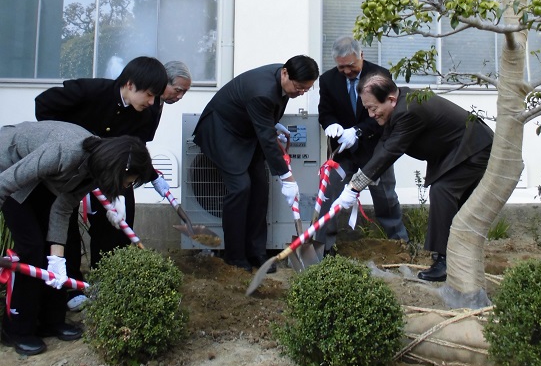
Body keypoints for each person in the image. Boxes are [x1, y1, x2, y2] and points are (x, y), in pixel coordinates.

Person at [0, 121, 154, 356]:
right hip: (9, 169)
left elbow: (62, 209)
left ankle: (51, 320)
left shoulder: (93, 169)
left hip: (41, 179)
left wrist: (57, 261)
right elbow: (6, 183)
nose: (128, 186)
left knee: (61, 249)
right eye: (130, 181)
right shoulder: (64, 151)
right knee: (31, 248)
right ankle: (16, 330)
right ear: (117, 170)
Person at [340, 73, 494, 282]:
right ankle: (458, 257)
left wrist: (354, 187)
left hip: (473, 147)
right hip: (458, 150)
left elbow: (391, 150)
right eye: (367, 108)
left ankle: (445, 262)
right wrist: (362, 179)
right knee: (452, 202)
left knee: (443, 191)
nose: (371, 114)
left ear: (391, 100)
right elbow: (384, 145)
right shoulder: (400, 105)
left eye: (373, 108)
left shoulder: (408, 111)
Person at [34, 56, 169, 278]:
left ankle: (106, 280)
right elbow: (43, 105)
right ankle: (70, 283)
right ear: (130, 84)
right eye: (149, 94)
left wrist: (124, 191)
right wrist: (60, 141)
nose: (152, 102)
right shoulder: (89, 91)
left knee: (117, 223)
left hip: (111, 173)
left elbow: (134, 151)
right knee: (65, 220)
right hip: (70, 167)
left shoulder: (146, 113)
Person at [192, 55, 320, 272]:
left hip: (247, 132)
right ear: (285, 73)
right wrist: (286, 177)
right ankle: (235, 256)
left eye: (306, 90)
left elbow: (266, 125)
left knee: (260, 188)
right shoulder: (262, 91)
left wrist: (272, 124)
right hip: (222, 131)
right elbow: (267, 139)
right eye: (299, 87)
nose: (301, 93)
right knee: (240, 188)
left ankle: (256, 252)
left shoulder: (282, 81)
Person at [316, 37, 408, 252]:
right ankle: (322, 247)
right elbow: (325, 112)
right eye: (342, 67)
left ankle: (399, 243)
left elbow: (385, 114)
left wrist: (357, 131)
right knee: (329, 195)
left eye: (351, 65)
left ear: (361, 56)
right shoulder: (328, 80)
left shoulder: (380, 76)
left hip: (375, 148)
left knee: (385, 197)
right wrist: (331, 125)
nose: (347, 71)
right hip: (342, 151)